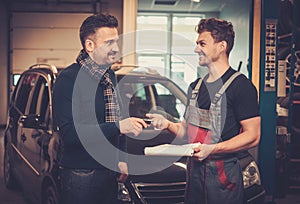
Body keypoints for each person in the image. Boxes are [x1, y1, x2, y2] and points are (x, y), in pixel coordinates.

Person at [147, 18, 261, 204]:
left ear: (221, 46)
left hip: (223, 175)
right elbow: (186, 132)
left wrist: (213, 149)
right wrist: (167, 124)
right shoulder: (195, 88)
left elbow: (253, 136)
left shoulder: (241, 86)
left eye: (202, 43)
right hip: (195, 174)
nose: (196, 49)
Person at [53, 14, 147, 204]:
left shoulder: (108, 76)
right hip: (82, 175)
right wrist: (119, 127)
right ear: (90, 46)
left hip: (108, 171)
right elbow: (70, 134)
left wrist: (121, 158)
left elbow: (117, 115)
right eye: (109, 42)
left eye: (117, 42)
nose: (116, 48)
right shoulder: (69, 79)